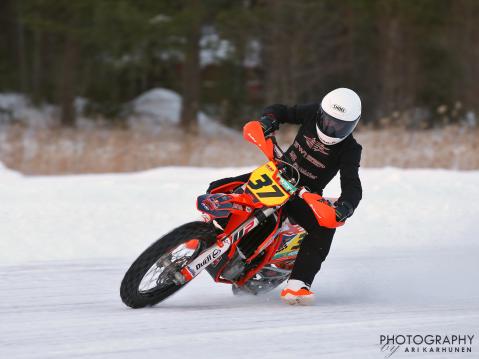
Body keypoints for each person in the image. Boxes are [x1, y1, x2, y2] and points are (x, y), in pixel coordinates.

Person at [209, 88, 363, 305]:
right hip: (277, 173)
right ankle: (209, 233)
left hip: (303, 194)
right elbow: (281, 111)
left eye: (340, 125)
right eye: (328, 120)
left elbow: (352, 183)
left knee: (326, 228)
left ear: (353, 125)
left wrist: (346, 206)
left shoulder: (351, 149)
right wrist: (267, 121)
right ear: (321, 113)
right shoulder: (310, 112)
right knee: (218, 187)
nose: (332, 127)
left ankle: (298, 284)